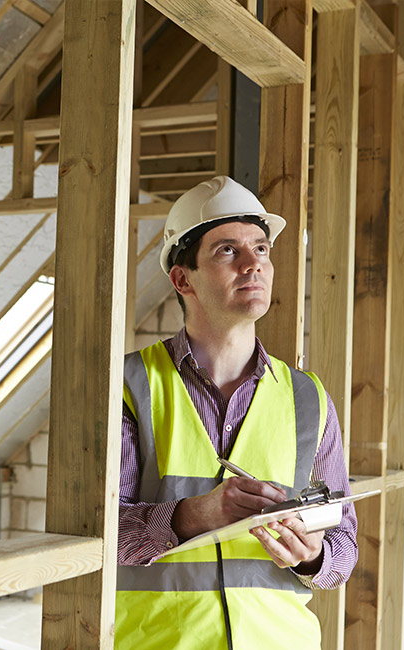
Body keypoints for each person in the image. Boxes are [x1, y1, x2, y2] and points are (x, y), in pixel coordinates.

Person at [114, 176, 358, 650]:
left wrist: (312, 557)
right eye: (228, 251)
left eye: (262, 249)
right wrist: (191, 516)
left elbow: (343, 545)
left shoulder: (307, 397)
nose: (254, 265)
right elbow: (96, 532)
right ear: (183, 279)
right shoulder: (130, 386)